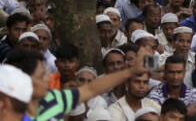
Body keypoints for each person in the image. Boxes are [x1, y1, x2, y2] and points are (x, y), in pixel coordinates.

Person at [5, 47, 153, 120]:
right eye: (41, 76)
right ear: (23, 79)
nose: (47, 79)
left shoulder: (55, 99)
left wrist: (130, 72)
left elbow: (91, 89)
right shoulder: (6, 113)